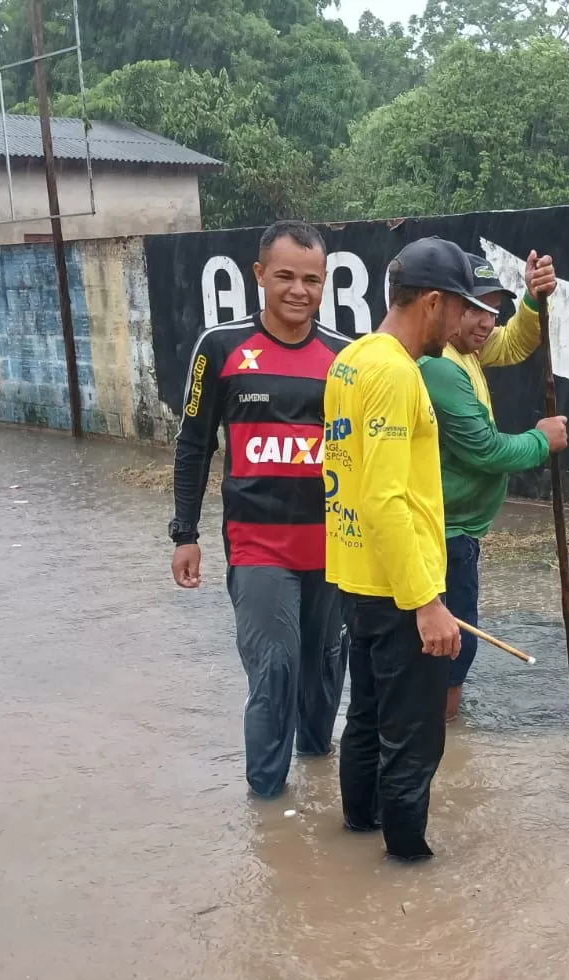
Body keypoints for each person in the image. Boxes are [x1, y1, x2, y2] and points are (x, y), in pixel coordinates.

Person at [168, 220, 354, 799]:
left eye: (312, 280)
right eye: (285, 277)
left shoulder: (346, 358)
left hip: (334, 549)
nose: (299, 290)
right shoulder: (220, 349)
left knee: (325, 670)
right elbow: (193, 444)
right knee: (274, 671)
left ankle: (317, 778)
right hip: (258, 547)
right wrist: (185, 533)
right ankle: (268, 807)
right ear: (259, 275)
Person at [322, 236, 489, 860]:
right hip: (400, 589)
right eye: (462, 308)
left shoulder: (351, 360)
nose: (465, 323)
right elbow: (384, 498)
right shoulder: (396, 373)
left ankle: (359, 829)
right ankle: (407, 862)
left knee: (366, 718)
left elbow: (344, 473)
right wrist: (427, 602)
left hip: (358, 579)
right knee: (414, 740)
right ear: (434, 302)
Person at [420, 251, 568, 721]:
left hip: (455, 530)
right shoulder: (441, 365)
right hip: (446, 534)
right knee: (450, 649)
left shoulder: (464, 348)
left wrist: (533, 299)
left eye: (493, 310)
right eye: (475, 309)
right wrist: (541, 441)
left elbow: (515, 341)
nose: (487, 322)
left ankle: (440, 731)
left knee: (446, 646)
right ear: (448, 308)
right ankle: (443, 733)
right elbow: (485, 450)